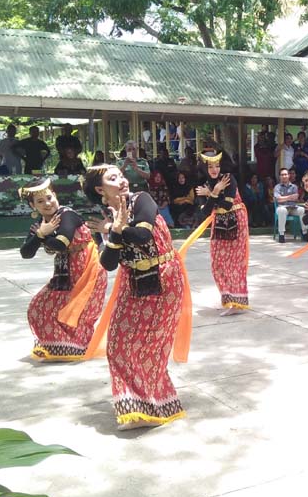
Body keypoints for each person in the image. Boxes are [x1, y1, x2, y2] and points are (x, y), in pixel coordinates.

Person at [83, 165, 192, 429]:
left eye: (120, 175)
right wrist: (113, 230)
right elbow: (108, 262)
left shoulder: (142, 199)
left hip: (164, 279)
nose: (121, 180)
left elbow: (142, 236)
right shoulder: (105, 215)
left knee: (151, 348)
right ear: (100, 190)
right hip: (133, 282)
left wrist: (115, 230)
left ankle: (155, 406)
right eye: (112, 178)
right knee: (118, 345)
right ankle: (136, 405)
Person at [18, 178, 107, 362]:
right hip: (64, 272)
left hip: (87, 268)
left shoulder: (67, 215)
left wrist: (42, 236)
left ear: (55, 195)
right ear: (32, 206)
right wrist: (41, 233)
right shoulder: (41, 225)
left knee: (78, 313)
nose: (47, 203)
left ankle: (79, 347)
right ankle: (61, 347)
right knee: (39, 307)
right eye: (40, 202)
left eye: (49, 198)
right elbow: (26, 252)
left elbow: (61, 242)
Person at [195, 150, 250, 313]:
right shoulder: (204, 185)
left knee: (235, 262)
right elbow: (204, 212)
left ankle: (237, 300)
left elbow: (227, 205)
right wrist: (214, 192)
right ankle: (228, 298)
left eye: (217, 166)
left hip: (237, 221)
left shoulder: (228, 179)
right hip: (218, 222)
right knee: (217, 262)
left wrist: (212, 194)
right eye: (210, 166)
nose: (214, 170)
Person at [274, 167, 306, 243]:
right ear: (280, 176)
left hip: (293, 208)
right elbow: (278, 199)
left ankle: (304, 233)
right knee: (282, 210)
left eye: (285, 174)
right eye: (282, 175)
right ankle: (281, 234)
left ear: (289, 175)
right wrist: (289, 197)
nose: (284, 176)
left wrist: (284, 198)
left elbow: (295, 198)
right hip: (282, 207)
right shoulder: (277, 187)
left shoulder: (294, 187)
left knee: (302, 210)